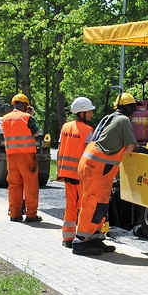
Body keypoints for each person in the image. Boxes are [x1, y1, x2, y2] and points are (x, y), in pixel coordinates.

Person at [73, 93, 138, 256]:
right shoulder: (123, 120)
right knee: (91, 202)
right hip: (97, 167)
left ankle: (95, 237)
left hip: (95, 165)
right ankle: (80, 241)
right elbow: (130, 146)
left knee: (101, 203)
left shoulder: (109, 117)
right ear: (130, 108)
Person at [57, 96, 95, 248]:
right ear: (82, 113)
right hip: (80, 176)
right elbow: (90, 154)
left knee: (70, 206)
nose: (91, 114)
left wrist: (59, 171)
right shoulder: (88, 130)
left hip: (66, 174)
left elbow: (60, 149)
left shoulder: (65, 127)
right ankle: (81, 237)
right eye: (89, 111)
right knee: (83, 207)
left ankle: (67, 238)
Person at [1, 93, 42, 222]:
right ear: (25, 105)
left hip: (11, 156)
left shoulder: (5, 119)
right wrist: (31, 115)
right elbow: (36, 133)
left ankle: (14, 213)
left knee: (14, 185)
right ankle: (31, 214)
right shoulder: (27, 117)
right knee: (30, 184)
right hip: (27, 156)